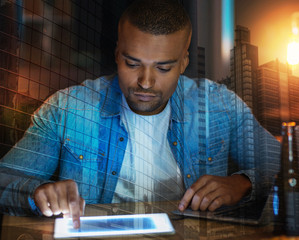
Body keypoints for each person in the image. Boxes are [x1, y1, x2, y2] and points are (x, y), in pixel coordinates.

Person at [0, 0, 279, 229]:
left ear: (184, 61)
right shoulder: (68, 108)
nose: (145, 82)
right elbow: (5, 180)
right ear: (117, 54)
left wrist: (244, 184)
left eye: (163, 68)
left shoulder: (219, 106)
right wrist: (37, 194)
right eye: (133, 64)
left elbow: (297, 172)